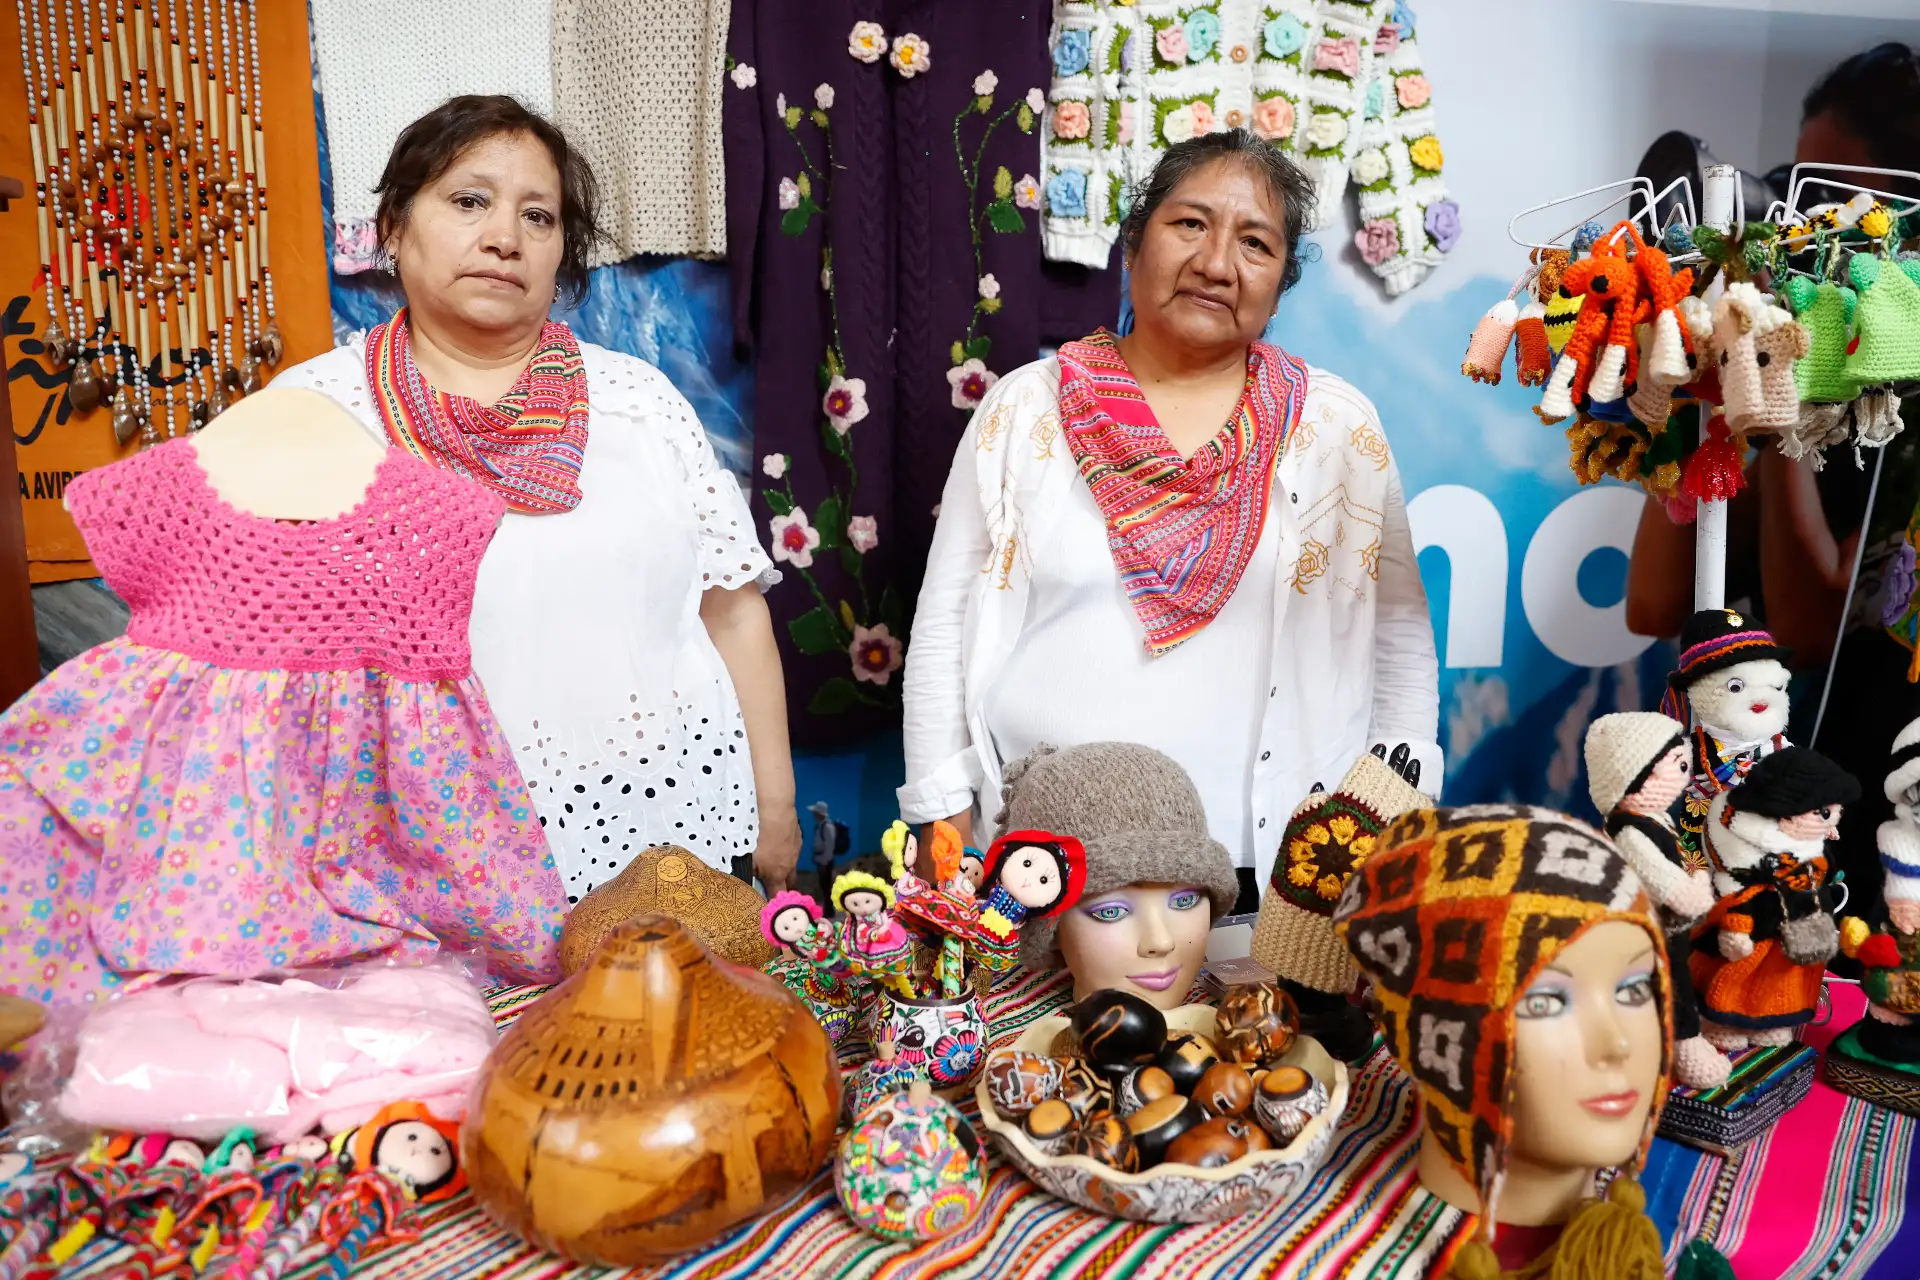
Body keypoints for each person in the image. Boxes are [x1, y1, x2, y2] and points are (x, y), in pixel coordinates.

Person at [277, 96, 800, 900]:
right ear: (390, 226)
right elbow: (268, 673)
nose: (504, 238)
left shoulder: (639, 401)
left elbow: (731, 612)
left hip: (674, 839)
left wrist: (774, 809)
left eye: (538, 216)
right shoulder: (315, 415)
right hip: (426, 868)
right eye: (468, 201)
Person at [898, 130, 1440, 905]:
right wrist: (937, 809)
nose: (1217, 263)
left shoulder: (1334, 426)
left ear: (1280, 284)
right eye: (1190, 225)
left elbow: (1398, 645)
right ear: (1132, 245)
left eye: (1255, 243)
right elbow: (946, 621)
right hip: (1041, 865)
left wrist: (1391, 813)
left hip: (1278, 872)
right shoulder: (1027, 408)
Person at [1625, 44, 1920, 929]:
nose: (1803, 218)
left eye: (1835, 200)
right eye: (1798, 187)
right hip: (1747, 820)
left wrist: (1789, 383)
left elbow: (1807, 627)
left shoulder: (1898, 391)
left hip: (1876, 818)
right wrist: (1708, 370)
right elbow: (1654, 600)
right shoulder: (1800, 345)